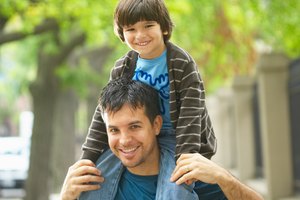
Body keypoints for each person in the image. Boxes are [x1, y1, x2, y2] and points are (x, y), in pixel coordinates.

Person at [81, 0, 217, 196]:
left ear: (163, 27)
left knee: (176, 187)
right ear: (122, 33)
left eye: (148, 26)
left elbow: (191, 112)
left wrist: (186, 156)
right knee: (93, 179)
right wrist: (87, 158)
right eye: (131, 29)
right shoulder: (123, 67)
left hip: (176, 137)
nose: (140, 35)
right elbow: (104, 113)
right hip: (136, 133)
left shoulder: (181, 63)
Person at [60, 78, 263, 200]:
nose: (124, 140)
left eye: (134, 126)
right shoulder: (94, 180)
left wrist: (223, 178)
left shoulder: (189, 178)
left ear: (156, 124)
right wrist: (66, 197)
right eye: (114, 130)